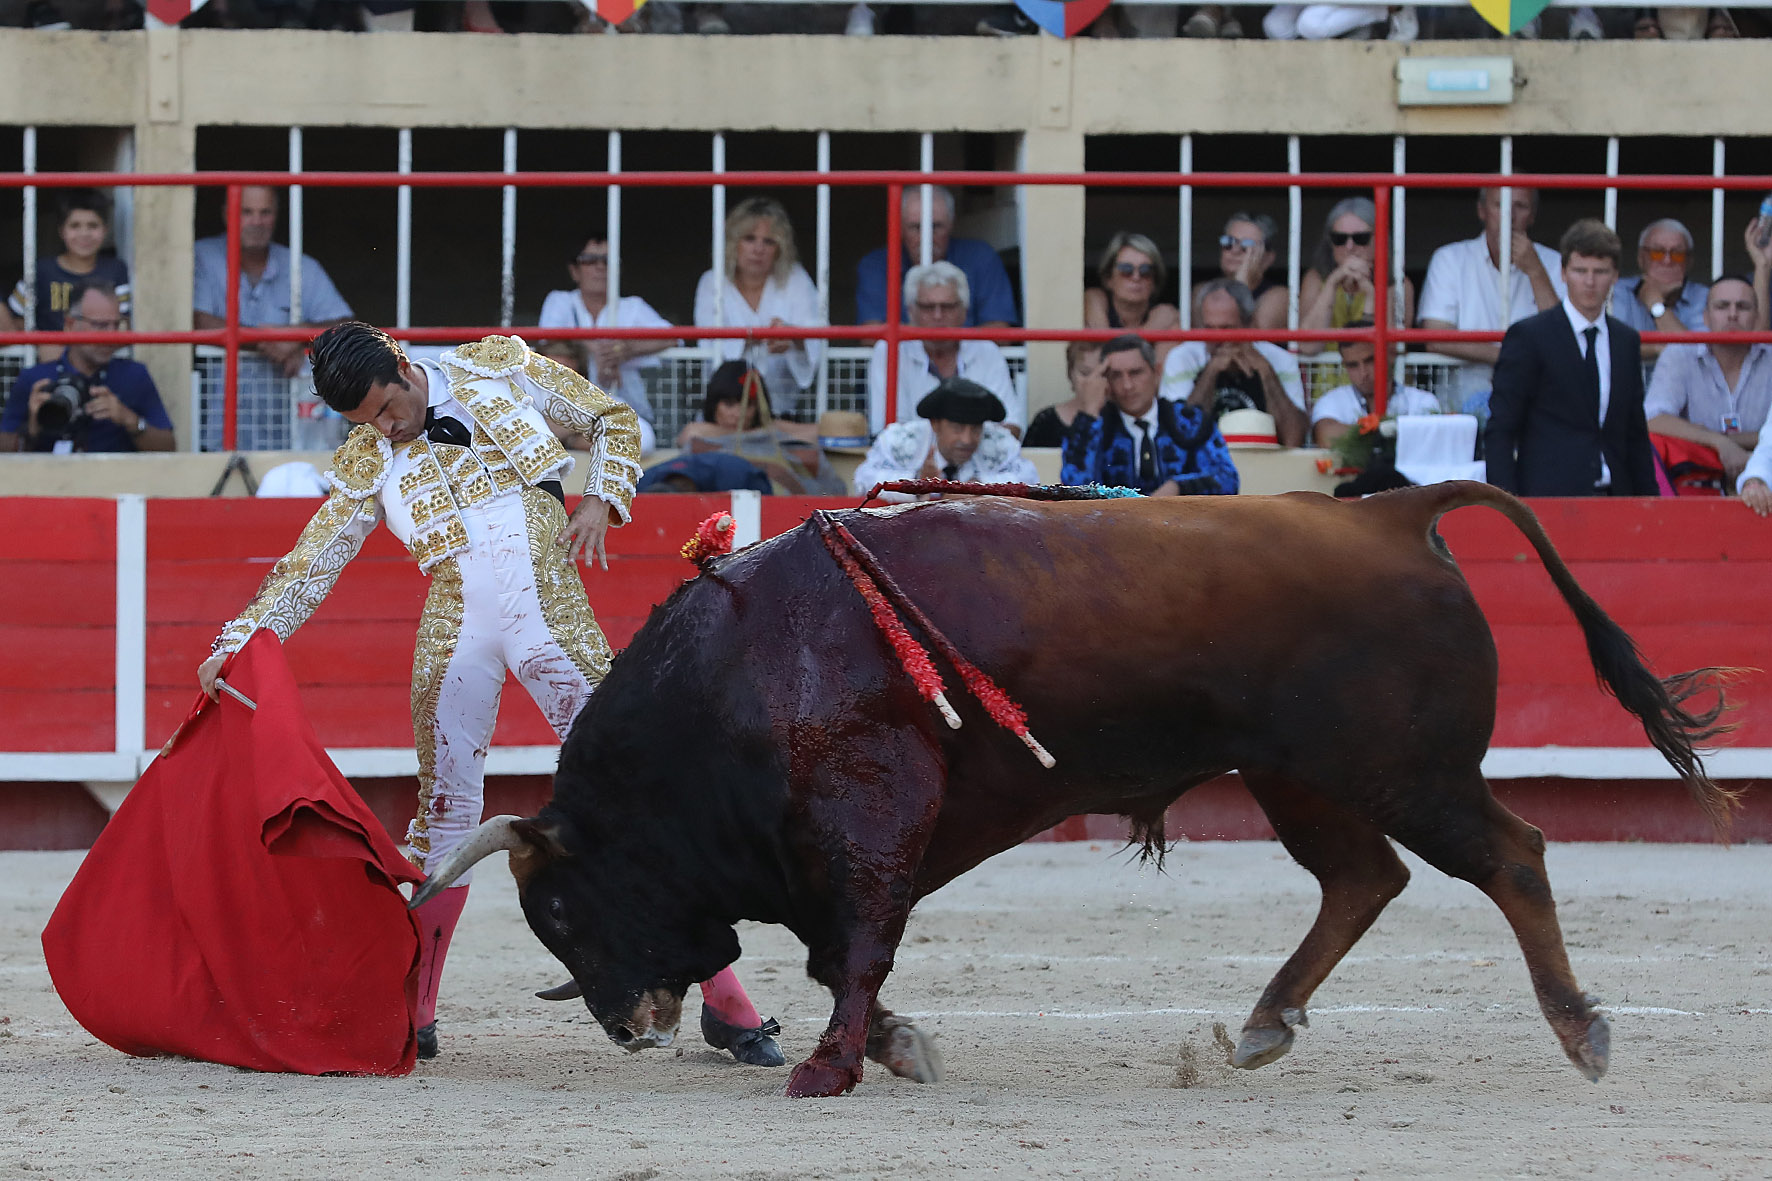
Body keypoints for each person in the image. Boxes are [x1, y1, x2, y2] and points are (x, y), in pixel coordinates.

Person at [191, 324, 783, 1068]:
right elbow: (311, 564)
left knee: (646, 794)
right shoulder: (366, 458)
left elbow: (611, 417)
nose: (387, 428)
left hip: (549, 615)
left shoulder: (497, 368)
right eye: (366, 422)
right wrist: (239, 640)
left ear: (404, 366)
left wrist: (602, 496)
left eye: (387, 407)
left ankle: (727, 1003)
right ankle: (417, 1011)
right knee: (443, 814)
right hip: (456, 630)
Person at [1486, 219, 1656, 497]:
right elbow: (1501, 430)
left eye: (1600, 272)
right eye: (1580, 271)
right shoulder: (1530, 336)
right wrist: (1506, 506)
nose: (1590, 282)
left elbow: (1635, 433)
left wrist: (1650, 503)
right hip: (1549, 500)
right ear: (1563, 273)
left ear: (1614, 276)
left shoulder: (1625, 341)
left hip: (1617, 497)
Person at [192, 184, 353, 451]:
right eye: (246, 212)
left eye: (265, 212)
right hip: (215, 424)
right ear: (226, 214)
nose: (256, 221)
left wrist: (296, 336)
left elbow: (345, 326)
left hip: (287, 427)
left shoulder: (300, 265)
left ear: (277, 216)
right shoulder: (202, 257)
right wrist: (273, 341)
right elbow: (199, 322)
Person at [1418, 186, 1567, 415]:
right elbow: (1435, 337)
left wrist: (1536, 271)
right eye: (1500, 205)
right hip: (1460, 406)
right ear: (1482, 210)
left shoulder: (1554, 263)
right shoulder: (1450, 258)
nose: (1510, 215)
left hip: (1536, 404)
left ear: (1533, 216)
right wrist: (1508, 358)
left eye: (1521, 206)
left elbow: (1563, 339)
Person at [0, 282, 173, 454]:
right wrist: (32, 428)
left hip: (115, 479)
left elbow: (169, 447)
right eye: (101, 325)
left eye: (116, 325)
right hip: (50, 479)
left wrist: (130, 420)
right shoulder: (36, 378)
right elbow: (4, 450)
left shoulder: (134, 375)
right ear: (70, 325)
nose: (111, 336)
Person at [692, 196, 825, 419]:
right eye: (749, 238)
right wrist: (756, 336)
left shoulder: (796, 278)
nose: (758, 249)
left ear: (780, 249)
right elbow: (707, 341)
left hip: (781, 413)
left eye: (769, 241)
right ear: (733, 243)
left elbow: (815, 331)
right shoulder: (711, 282)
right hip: (724, 415)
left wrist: (793, 336)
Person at [1061, 334, 1239, 497]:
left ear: (1156, 372)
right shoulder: (1092, 428)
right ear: (1105, 381)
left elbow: (1228, 479)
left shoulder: (1190, 420)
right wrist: (1090, 410)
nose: (1127, 385)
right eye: (1116, 376)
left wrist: (1178, 487)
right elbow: (1074, 490)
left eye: (1135, 373)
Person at [1643, 276, 1771, 487]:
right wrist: (1718, 442)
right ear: (1705, 317)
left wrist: (1731, 445)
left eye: (1742, 307)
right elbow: (1652, 419)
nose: (1732, 315)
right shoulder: (1680, 353)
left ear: (1757, 317)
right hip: (1694, 480)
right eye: (1722, 307)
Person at [866, 261, 1021, 436]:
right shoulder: (890, 350)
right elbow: (887, 431)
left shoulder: (986, 350)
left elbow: (1012, 427)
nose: (938, 316)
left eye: (948, 307)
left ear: (964, 311)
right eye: (927, 307)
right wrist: (963, 438)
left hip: (977, 462)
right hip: (914, 463)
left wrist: (951, 442)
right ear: (910, 311)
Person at [537, 235, 676, 428]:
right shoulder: (560, 301)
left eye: (607, 261)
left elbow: (672, 338)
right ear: (574, 271)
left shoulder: (632, 306)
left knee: (641, 438)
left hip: (622, 408)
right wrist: (595, 349)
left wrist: (626, 349)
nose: (600, 267)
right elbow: (547, 339)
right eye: (589, 260)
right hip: (567, 409)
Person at [1160, 279, 1309, 449]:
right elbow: (1181, 434)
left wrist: (1266, 373)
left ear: (1250, 325)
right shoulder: (1182, 358)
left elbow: (1294, 440)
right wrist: (1211, 372)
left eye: (1226, 328)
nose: (1217, 338)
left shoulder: (1280, 360)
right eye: (1209, 329)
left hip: (1264, 464)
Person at [854, 185, 1017, 329]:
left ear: (952, 224)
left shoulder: (981, 257)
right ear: (900, 228)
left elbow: (999, 329)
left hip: (968, 364)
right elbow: (871, 333)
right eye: (916, 228)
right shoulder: (876, 265)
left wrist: (939, 344)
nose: (927, 237)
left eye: (936, 226)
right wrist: (941, 340)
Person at [851, 376, 1037, 499]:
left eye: (975, 429)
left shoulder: (999, 443)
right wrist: (916, 482)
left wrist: (978, 488)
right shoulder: (902, 439)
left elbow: (1030, 479)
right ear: (934, 424)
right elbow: (863, 479)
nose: (967, 439)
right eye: (957, 428)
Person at [1296, 196, 1415, 357]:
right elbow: (1308, 346)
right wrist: (1332, 283)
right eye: (1340, 239)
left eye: (1361, 238)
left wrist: (1371, 292)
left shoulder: (1399, 283)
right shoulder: (1316, 279)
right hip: (1326, 381)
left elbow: (1390, 350)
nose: (1350, 247)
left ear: (1380, 239)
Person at [1, 188, 130, 333]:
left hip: (100, 353)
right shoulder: (41, 271)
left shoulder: (115, 270)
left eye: (93, 226)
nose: (84, 234)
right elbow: (14, 318)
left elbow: (123, 323)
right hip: (50, 354)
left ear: (105, 230)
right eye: (75, 226)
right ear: (62, 231)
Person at [1309, 323, 1441, 450]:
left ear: (1389, 355)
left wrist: (1365, 434)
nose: (1363, 373)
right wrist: (1392, 433)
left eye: (1370, 360)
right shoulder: (1332, 400)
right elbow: (1326, 437)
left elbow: (1429, 442)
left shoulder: (1423, 400)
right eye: (1353, 365)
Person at [1610, 218, 1708, 355]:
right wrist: (1658, 349)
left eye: (1677, 254)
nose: (1667, 261)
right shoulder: (1615, 290)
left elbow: (1695, 355)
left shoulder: (1705, 297)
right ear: (1640, 258)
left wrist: (1655, 302)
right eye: (1657, 252)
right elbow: (1611, 348)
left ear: (1689, 261)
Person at [1084, 232, 1180, 368]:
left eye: (1145, 271)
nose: (1136, 277)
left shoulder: (1166, 316)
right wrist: (1149, 332)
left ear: (1154, 281)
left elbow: (1161, 383)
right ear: (1108, 278)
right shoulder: (1094, 302)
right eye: (1126, 270)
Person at [677, 360, 818, 449]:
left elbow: (818, 433)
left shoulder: (770, 427)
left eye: (748, 405)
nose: (738, 413)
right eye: (729, 404)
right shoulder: (700, 428)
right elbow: (687, 436)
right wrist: (759, 435)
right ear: (714, 405)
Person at [1193, 213, 1288, 332]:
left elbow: (1253, 343)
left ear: (1268, 258)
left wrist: (1241, 287)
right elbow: (1203, 344)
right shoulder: (1201, 290)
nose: (1235, 250)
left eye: (1247, 245)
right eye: (1229, 242)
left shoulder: (1279, 296)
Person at [1023, 340, 1103, 449]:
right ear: (1070, 373)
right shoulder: (1046, 422)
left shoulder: (1120, 419)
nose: (1091, 382)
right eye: (1085, 373)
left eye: (1101, 374)